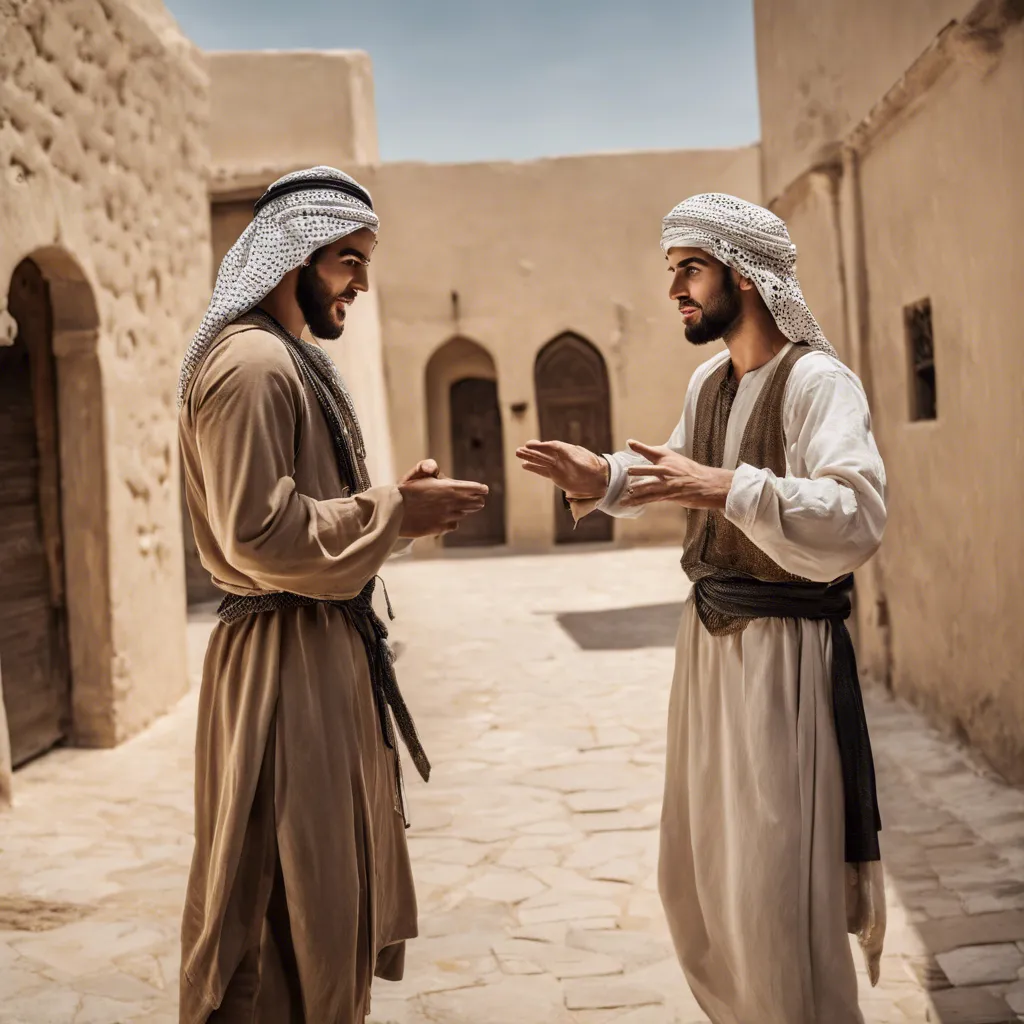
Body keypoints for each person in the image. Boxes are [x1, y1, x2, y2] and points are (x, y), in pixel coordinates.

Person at [516, 193, 886, 1024]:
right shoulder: (711, 382)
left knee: (773, 886)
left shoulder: (818, 382)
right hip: (710, 651)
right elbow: (671, 467)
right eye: (672, 272)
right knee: (702, 876)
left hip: (784, 659)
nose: (675, 289)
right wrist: (600, 477)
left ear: (745, 277)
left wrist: (728, 487)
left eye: (690, 269)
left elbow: (857, 516)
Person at [176, 166, 488, 1023]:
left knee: (328, 899)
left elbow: (304, 511)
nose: (360, 283)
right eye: (348, 260)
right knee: (279, 906)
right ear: (292, 258)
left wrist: (395, 511)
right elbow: (258, 535)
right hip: (283, 669)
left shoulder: (288, 361)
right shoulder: (250, 366)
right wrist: (390, 510)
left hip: (318, 653)